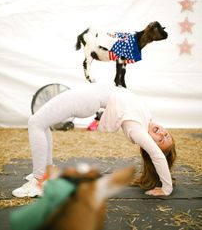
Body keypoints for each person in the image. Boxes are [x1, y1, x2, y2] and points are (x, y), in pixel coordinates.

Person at [12, 83, 176, 198]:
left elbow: (157, 156)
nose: (162, 133)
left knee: (35, 123)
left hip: (86, 99)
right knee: (42, 123)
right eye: (166, 134)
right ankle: (45, 173)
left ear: (150, 144)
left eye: (160, 140)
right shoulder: (147, 116)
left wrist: (166, 189)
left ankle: (39, 181)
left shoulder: (137, 129)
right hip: (89, 94)